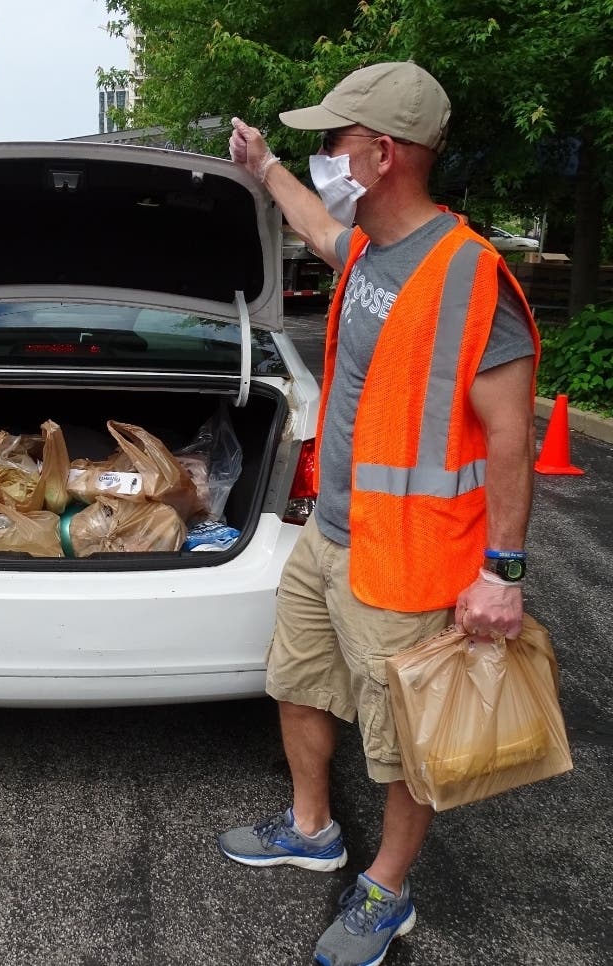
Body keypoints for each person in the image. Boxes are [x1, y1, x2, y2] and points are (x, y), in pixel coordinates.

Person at [217, 62, 538, 966]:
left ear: (382, 152)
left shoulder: (474, 276)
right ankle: (312, 828)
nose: (328, 156)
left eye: (333, 141)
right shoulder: (365, 244)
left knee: (404, 748)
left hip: (411, 563)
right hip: (330, 538)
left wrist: (501, 575)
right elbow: (317, 226)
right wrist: (265, 165)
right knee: (297, 680)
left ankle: (386, 891)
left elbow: (511, 441)